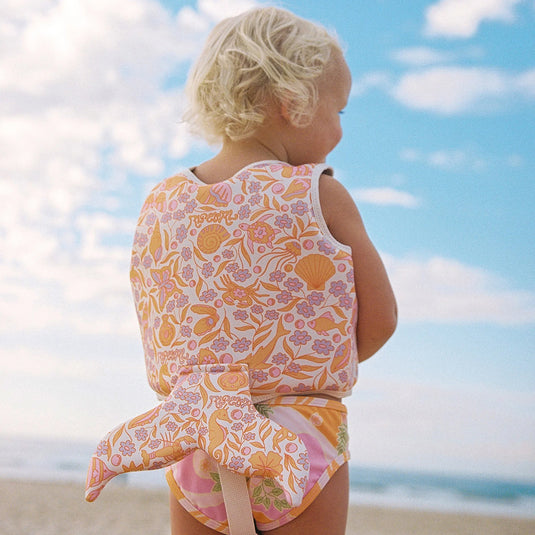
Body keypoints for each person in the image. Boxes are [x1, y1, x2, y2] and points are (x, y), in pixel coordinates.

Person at [88, 6, 397, 535]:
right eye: (339, 110)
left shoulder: (161, 202)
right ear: (293, 102)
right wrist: (301, 367)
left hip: (191, 433)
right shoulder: (318, 193)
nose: (340, 130)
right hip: (300, 434)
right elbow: (381, 318)